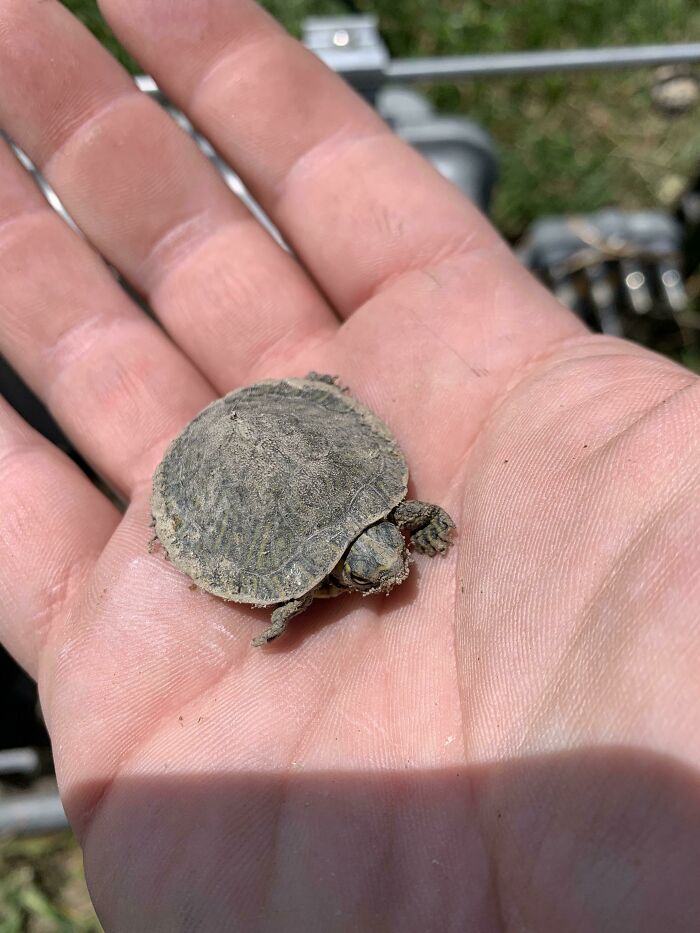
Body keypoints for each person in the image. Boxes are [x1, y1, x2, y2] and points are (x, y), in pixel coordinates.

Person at [0, 1, 698, 930]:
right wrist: (286, 616)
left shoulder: (387, 515)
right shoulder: (338, 552)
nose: (397, 567)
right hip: (229, 457)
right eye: (391, 556)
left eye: (392, 553)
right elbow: (299, 596)